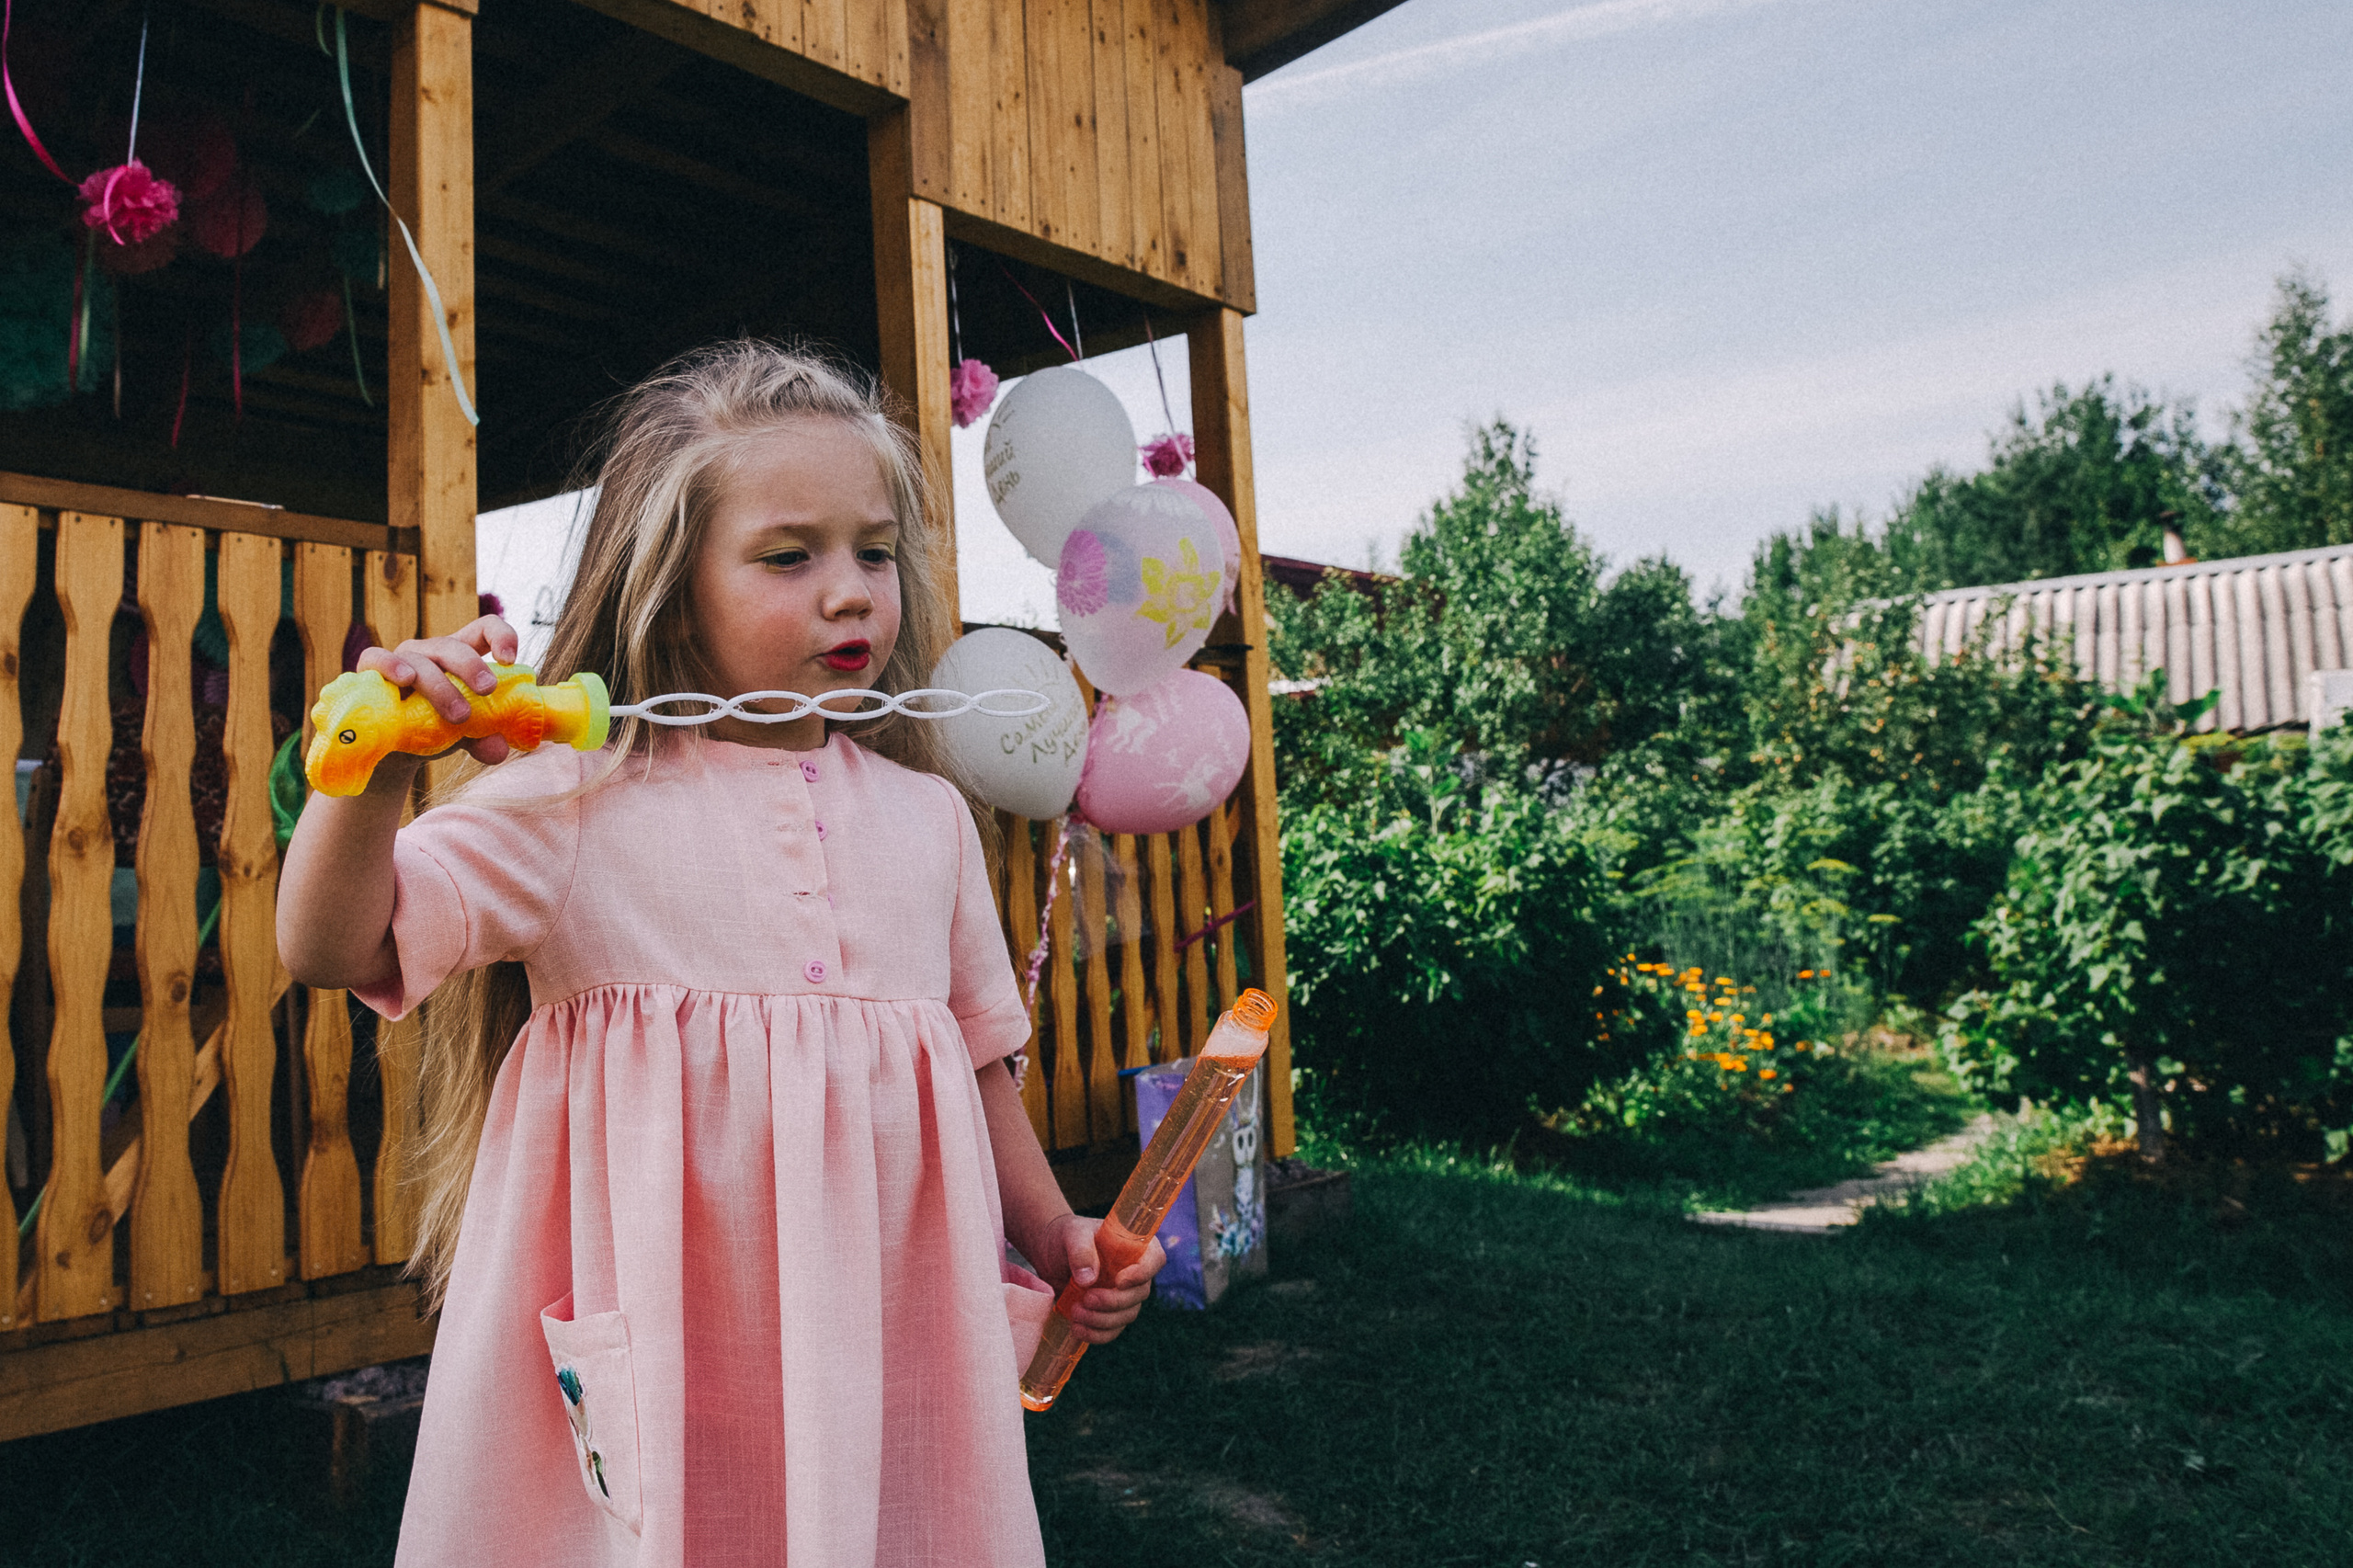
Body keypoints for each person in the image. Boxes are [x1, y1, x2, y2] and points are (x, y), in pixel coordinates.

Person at [278, 341, 1164, 1567]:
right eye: (789, 556)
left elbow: (973, 1064)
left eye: (873, 551)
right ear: (673, 580)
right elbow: (333, 942)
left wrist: (1055, 1226)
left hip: (879, 1334)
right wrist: (370, 772)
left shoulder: (929, 820)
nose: (849, 591)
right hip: (672, 1333)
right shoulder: (573, 800)